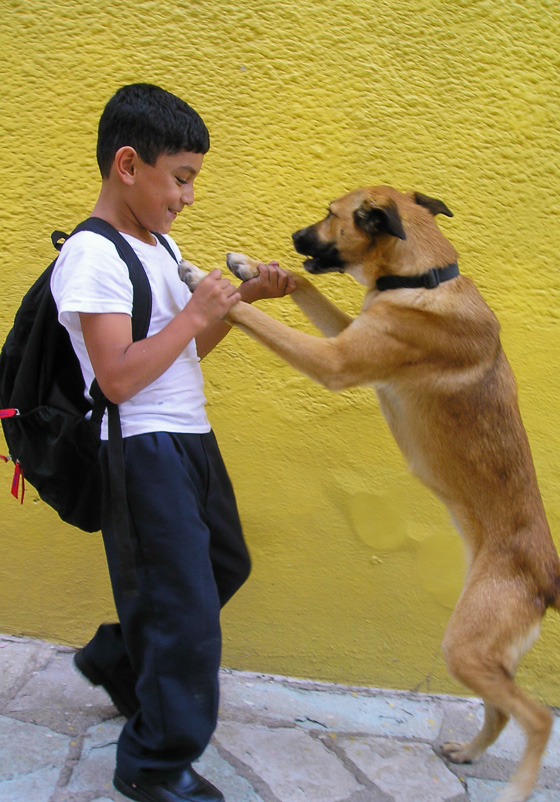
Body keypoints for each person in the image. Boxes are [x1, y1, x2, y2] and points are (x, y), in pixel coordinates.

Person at [50, 83, 294, 802]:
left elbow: (178, 352)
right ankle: (153, 765)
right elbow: (119, 379)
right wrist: (195, 313)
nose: (188, 196)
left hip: (188, 438)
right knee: (186, 618)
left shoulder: (157, 243)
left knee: (222, 565)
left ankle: (121, 660)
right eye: (180, 178)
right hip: (141, 450)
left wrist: (240, 302)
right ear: (129, 165)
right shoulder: (92, 257)